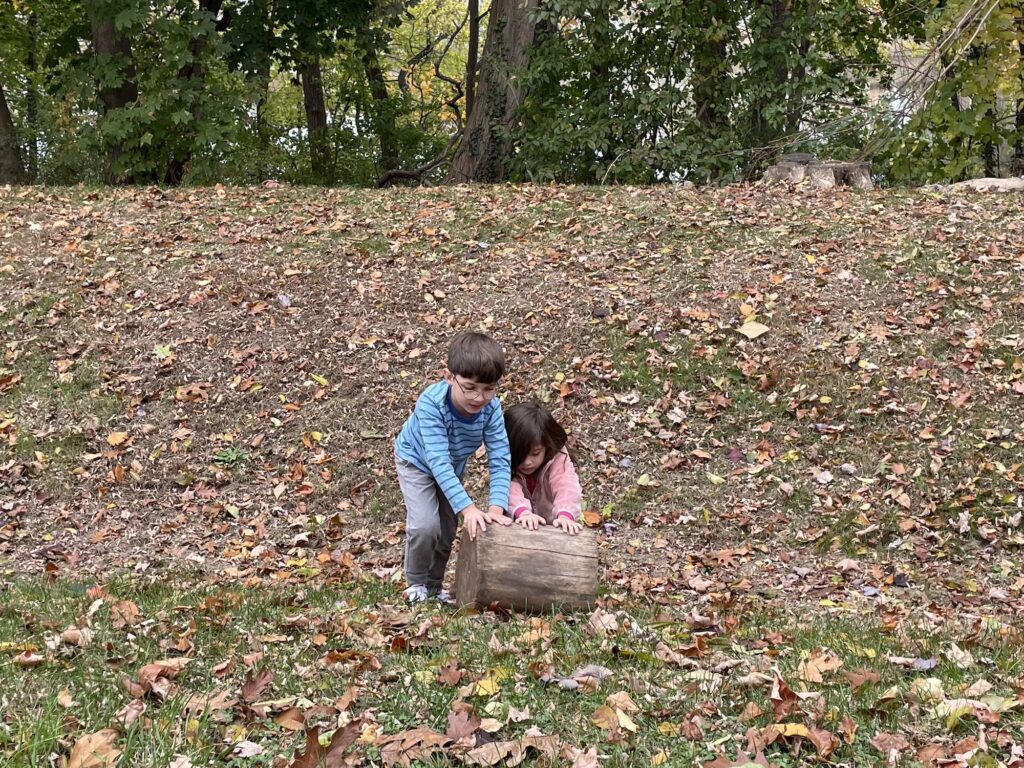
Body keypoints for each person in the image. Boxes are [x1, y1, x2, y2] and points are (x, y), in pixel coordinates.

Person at [394, 331, 512, 603]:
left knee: (447, 529)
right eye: (470, 387)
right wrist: (469, 507)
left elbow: (500, 457)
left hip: (451, 465)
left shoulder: (491, 409)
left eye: (489, 388)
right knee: (426, 526)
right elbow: (437, 460)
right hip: (416, 462)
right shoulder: (431, 404)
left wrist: (495, 508)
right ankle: (415, 584)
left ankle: (433, 589)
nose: (479, 398)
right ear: (448, 377)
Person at [504, 402, 584, 535]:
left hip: (553, 525)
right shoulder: (505, 460)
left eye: (535, 453)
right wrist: (523, 512)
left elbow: (566, 485)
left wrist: (565, 515)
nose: (527, 462)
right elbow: (509, 489)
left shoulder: (557, 457)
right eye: (520, 455)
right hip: (516, 525)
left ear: (547, 445)